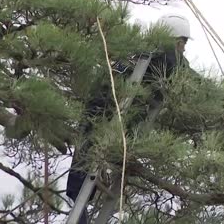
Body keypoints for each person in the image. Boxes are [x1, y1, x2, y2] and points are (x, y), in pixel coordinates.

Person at [65, 13, 193, 224]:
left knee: (81, 172)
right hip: (113, 115)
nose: (184, 49)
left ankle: (78, 209)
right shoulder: (166, 54)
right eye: (183, 43)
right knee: (87, 173)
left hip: (96, 110)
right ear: (177, 40)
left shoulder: (137, 50)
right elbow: (185, 76)